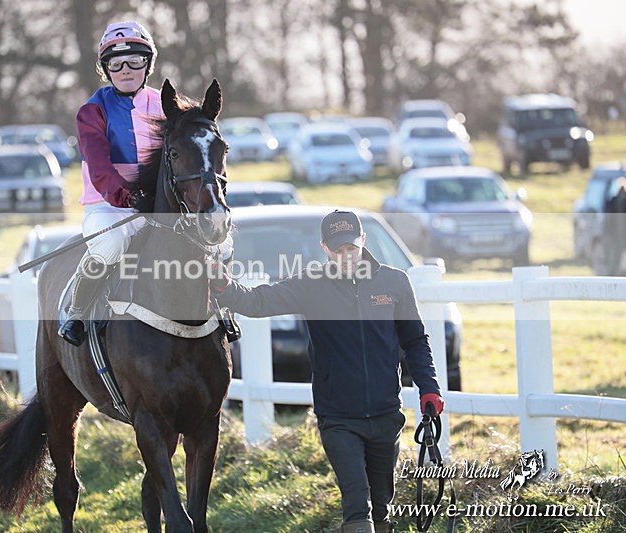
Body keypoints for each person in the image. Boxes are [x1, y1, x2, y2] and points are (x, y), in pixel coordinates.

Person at [210, 210, 444, 533]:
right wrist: (225, 286)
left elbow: (415, 341)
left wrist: (429, 388)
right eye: (338, 250)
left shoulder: (394, 282)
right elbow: (258, 302)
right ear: (325, 248)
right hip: (338, 419)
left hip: (387, 416)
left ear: (362, 241)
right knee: (357, 506)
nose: (346, 256)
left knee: (382, 511)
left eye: (352, 247)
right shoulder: (311, 284)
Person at [57, 20, 163, 346]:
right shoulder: (92, 110)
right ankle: (76, 311)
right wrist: (131, 197)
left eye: (135, 61)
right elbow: (100, 168)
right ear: (106, 69)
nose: (126, 69)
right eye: (116, 64)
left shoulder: (166, 104)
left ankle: (223, 312)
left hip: (159, 205)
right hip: (108, 206)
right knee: (110, 244)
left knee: (211, 239)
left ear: (148, 64)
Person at [604, 177, 626, 275]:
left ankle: (613, 273)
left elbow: (608, 218)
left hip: (617, 233)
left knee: (615, 256)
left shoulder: (613, 200)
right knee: (616, 255)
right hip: (618, 233)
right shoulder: (613, 201)